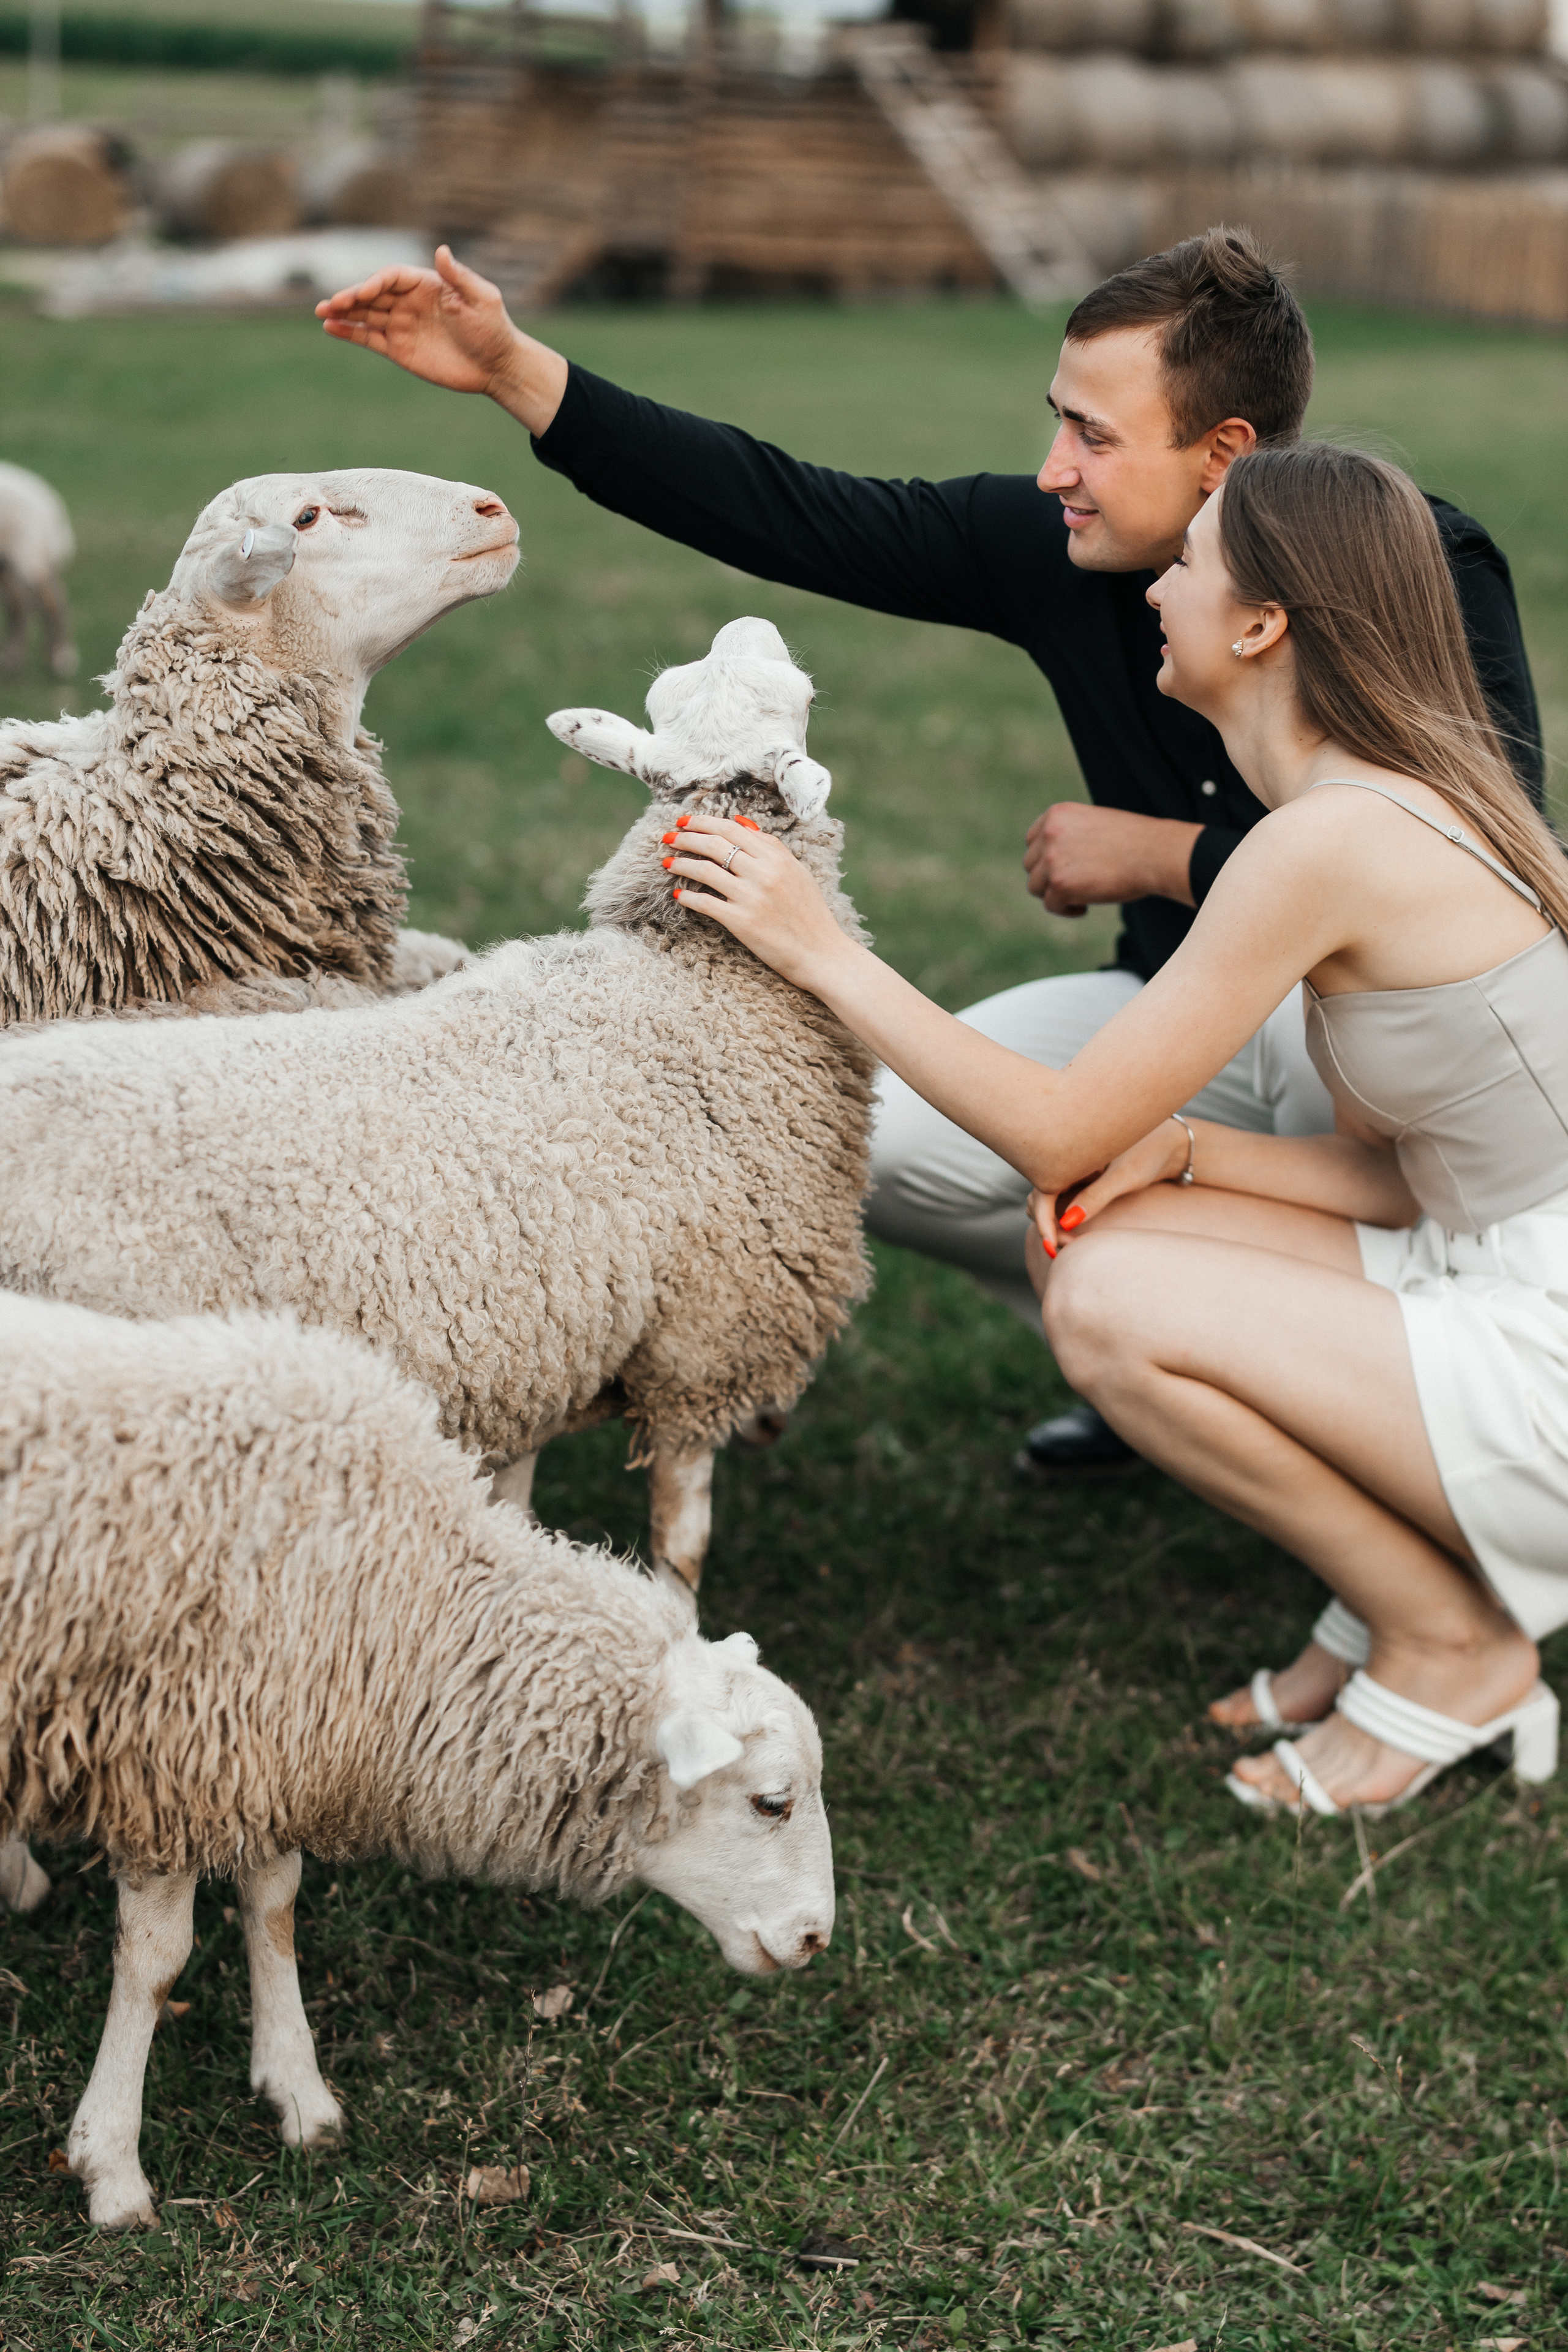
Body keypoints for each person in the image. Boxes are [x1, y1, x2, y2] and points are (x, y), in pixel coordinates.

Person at [316, 228, 1542, 1482]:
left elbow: (1470, 868)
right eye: (1055, 421)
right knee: (884, 1143)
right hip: (1156, 1015)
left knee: (1234, 1106)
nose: (1052, 469)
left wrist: (1163, 854)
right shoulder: (1058, 548)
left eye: (1093, 437)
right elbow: (795, 511)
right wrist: (517, 370)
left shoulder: (1413, 571)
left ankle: (1361, 1410)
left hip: (1348, 1047)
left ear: (1219, 453)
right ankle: (1148, 1369)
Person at [648, 441, 1568, 1815]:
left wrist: (817, 945)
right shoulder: (1356, 807)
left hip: (1540, 1335)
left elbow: (1055, 1125)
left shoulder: (1328, 838)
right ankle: (1409, 1606)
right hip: (1484, 1261)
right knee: (1106, 1226)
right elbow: (1392, 1179)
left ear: (1259, 624)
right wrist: (1186, 1150)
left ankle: (1448, 1646)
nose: (1154, 588)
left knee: (1106, 1297)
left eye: (1187, 562)